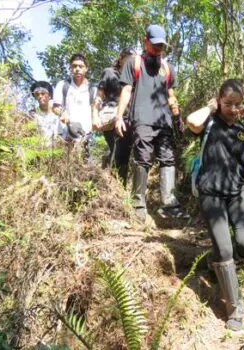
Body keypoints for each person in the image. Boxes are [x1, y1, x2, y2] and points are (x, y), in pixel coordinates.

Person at [186, 79, 244, 331]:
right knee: (225, 250)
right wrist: (211, 107)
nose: (233, 109)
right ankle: (234, 310)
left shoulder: (241, 128)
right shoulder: (209, 123)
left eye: (237, 104)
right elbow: (192, 122)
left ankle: (216, 266)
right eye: (228, 103)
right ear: (219, 100)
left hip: (237, 193)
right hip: (210, 194)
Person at [114, 24, 188, 221]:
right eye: (154, 44)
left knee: (168, 159)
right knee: (142, 158)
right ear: (145, 41)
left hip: (164, 121)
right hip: (142, 119)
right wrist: (119, 116)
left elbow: (171, 95)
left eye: (161, 46)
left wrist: (177, 116)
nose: (158, 49)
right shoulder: (133, 63)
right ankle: (138, 203)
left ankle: (169, 203)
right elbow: (126, 90)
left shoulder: (167, 68)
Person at [92, 48, 135, 185]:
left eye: (133, 59)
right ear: (121, 58)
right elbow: (99, 96)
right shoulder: (109, 72)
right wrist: (94, 115)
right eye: (128, 58)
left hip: (128, 119)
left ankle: (120, 190)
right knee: (116, 151)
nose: (131, 62)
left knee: (124, 157)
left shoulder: (134, 77)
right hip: (111, 118)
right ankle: (109, 187)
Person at [53, 53, 96, 161]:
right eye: (74, 66)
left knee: (86, 170)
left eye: (80, 66)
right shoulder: (63, 85)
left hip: (86, 136)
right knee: (64, 167)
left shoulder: (92, 89)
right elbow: (55, 107)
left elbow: (96, 111)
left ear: (86, 69)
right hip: (65, 135)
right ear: (71, 68)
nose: (77, 69)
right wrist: (62, 113)